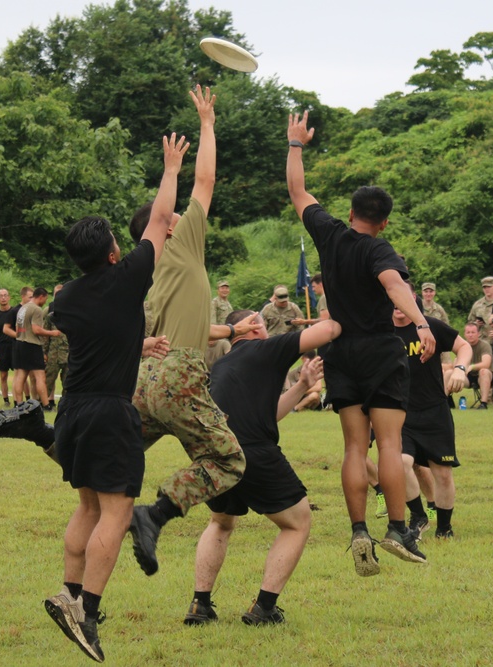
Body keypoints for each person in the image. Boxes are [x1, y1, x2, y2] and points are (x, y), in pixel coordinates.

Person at [41, 132, 183, 663]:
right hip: (108, 411)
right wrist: (170, 168)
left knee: (87, 505)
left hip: (72, 409)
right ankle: (88, 614)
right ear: (113, 252)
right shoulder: (128, 280)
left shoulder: (66, 299)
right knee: (117, 513)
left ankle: (70, 592)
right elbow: (160, 219)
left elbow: (98, 336)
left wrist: (138, 341)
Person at [287, 109, 434, 574]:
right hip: (380, 352)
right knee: (389, 445)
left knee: (354, 448)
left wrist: (295, 145)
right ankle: (396, 529)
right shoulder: (380, 249)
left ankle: (357, 532)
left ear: (350, 214)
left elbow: (298, 191)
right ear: (384, 222)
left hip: (341, 354)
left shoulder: (330, 234)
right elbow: (394, 286)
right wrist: (422, 325)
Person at [127, 87, 247, 579]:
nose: (183, 217)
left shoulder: (145, 271)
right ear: (168, 227)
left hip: (144, 378)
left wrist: (233, 330)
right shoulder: (184, 243)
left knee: (114, 452)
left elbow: (185, 325)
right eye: (174, 217)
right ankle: (154, 515)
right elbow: (206, 179)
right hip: (180, 376)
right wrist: (207, 123)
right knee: (227, 460)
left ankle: (43, 434)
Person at [186, 310, 341, 626]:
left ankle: (200, 605)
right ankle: (264, 607)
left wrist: (301, 387)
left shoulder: (223, 366)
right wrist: (329, 313)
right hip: (252, 450)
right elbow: (330, 331)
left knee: (220, 522)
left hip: (212, 453)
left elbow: (266, 414)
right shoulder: (265, 348)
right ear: (254, 327)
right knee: (297, 521)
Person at [393, 305, 469, 540]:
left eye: (403, 300)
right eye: (394, 300)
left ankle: (444, 529)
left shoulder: (429, 325)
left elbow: (464, 346)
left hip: (434, 410)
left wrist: (459, 369)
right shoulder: (381, 330)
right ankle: (419, 516)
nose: (398, 306)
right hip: (400, 411)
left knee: (442, 473)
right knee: (400, 463)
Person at [14, 287, 61, 410]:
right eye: (45, 299)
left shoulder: (22, 308)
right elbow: (36, 330)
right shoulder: (36, 309)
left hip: (19, 343)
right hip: (32, 345)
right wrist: (53, 333)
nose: (45, 302)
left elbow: (17, 328)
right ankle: (45, 405)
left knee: (21, 375)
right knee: (40, 376)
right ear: (41, 296)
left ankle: (18, 404)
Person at [43, 284, 69, 408]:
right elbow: (45, 336)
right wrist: (44, 352)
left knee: (68, 383)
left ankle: (65, 406)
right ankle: (43, 405)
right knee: (47, 381)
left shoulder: (73, 314)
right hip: (53, 354)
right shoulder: (50, 315)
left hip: (69, 354)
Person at [0, 288, 17, 406]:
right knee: (3, 375)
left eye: (5, 295)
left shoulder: (15, 312)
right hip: (2, 347)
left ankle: (20, 399)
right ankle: (6, 400)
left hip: (16, 345)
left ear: (9, 297)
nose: (3, 298)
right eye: (0, 296)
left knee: (19, 374)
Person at [460, 322, 493, 408]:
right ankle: (447, 400)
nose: (470, 335)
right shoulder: (462, 346)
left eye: (473, 332)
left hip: (485, 376)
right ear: (464, 334)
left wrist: (472, 366)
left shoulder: (485, 345)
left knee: (484, 371)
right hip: (468, 376)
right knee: (450, 373)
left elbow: (486, 364)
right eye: (468, 332)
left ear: (478, 334)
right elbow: (457, 362)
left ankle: (483, 403)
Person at [205, 279, 233, 369]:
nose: (225, 290)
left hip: (228, 334)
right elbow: (212, 318)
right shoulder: (215, 302)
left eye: (226, 288)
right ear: (218, 290)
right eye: (222, 288)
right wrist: (214, 335)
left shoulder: (228, 304)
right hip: (220, 335)